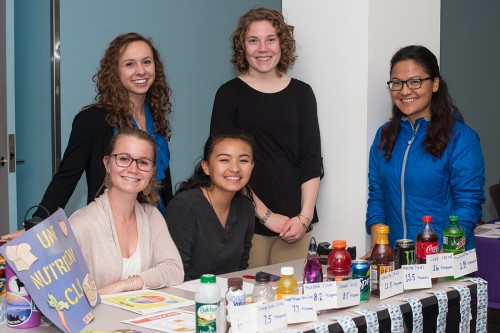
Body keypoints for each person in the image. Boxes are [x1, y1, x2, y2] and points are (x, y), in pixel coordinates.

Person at [1, 32, 174, 242]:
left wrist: (175, 227)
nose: (141, 71)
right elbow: (66, 177)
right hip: (111, 231)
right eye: (129, 64)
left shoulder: (156, 117)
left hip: (155, 227)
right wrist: (38, 224)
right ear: (115, 71)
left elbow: (162, 183)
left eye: (146, 62)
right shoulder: (93, 119)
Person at [210, 7, 322, 267]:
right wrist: (265, 215)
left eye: (270, 39)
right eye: (253, 40)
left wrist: (303, 218)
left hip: (295, 226)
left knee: (291, 301)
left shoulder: (303, 94)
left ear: (282, 43)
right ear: (243, 47)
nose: (263, 48)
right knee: (250, 300)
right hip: (246, 219)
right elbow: (226, 167)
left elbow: (311, 160)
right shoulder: (228, 95)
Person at [365, 45, 485, 256]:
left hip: (443, 259)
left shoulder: (461, 138)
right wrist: (378, 249)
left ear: (435, 83)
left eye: (415, 82)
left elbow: (468, 204)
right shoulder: (383, 137)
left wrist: (444, 255)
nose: (404, 91)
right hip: (394, 261)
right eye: (397, 83)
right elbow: (377, 197)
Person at [69, 127, 183, 294]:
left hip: (142, 317)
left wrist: (127, 284)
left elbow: (174, 270)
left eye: (143, 162)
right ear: (107, 164)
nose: (133, 169)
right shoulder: (81, 223)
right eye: (124, 159)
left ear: (152, 172)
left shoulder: (152, 216)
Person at [165, 129, 255, 280]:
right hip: (188, 299)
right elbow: (176, 275)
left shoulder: (246, 207)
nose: (235, 168)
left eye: (243, 160)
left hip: (227, 298)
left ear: (252, 166)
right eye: (224, 160)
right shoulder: (184, 206)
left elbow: (239, 270)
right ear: (206, 167)